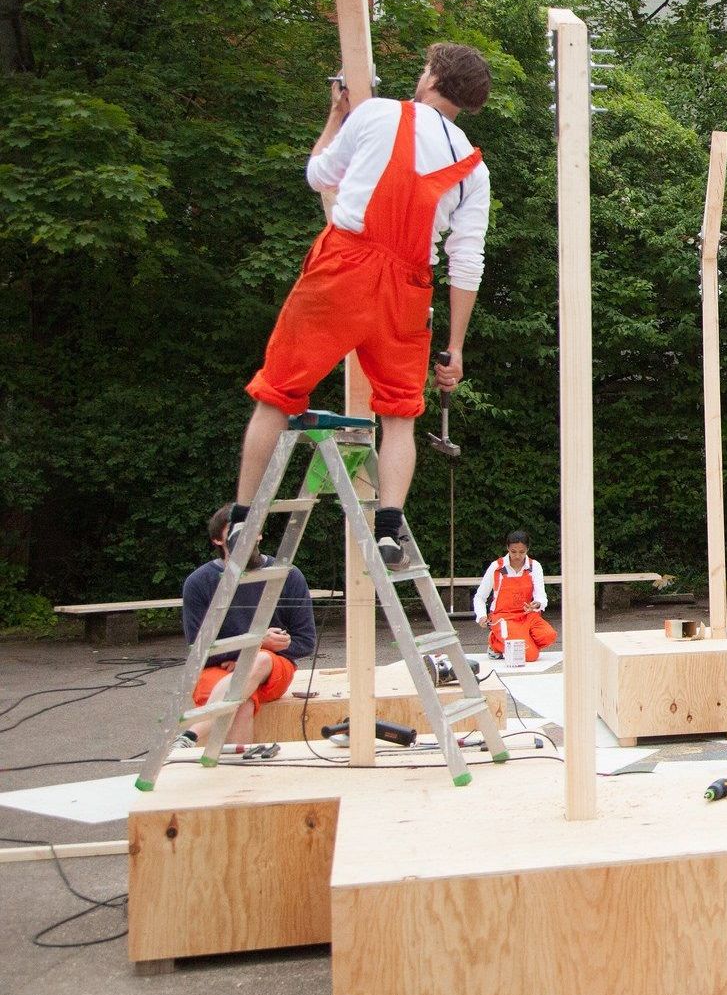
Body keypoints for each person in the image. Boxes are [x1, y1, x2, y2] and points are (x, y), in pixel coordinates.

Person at [227, 43, 493, 569]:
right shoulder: (472, 169)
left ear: (433, 78)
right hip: (407, 289)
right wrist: (455, 348)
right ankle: (389, 529)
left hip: (344, 269)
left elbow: (319, 176)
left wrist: (336, 115)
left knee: (276, 392)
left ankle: (241, 523)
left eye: (425, 68)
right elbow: (466, 262)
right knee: (399, 413)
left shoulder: (376, 114)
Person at [175, 504, 319, 746]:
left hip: (271, 669)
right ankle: (238, 768)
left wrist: (254, 653)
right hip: (217, 670)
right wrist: (253, 645)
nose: (246, 537)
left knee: (260, 659)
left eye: (252, 529)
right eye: (235, 532)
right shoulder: (199, 582)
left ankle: (191, 734)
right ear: (217, 540)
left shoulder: (288, 575)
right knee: (242, 704)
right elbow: (197, 651)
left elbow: (305, 642)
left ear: (260, 534)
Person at [473, 530, 555, 660]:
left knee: (549, 636)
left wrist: (537, 604)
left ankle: (515, 642)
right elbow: (480, 597)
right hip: (503, 618)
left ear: (528, 549)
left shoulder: (535, 566)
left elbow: (541, 596)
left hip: (527, 615)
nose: (517, 556)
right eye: (513, 551)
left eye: (522, 552)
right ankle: (495, 642)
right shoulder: (496, 567)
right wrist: (481, 616)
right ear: (507, 548)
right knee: (530, 655)